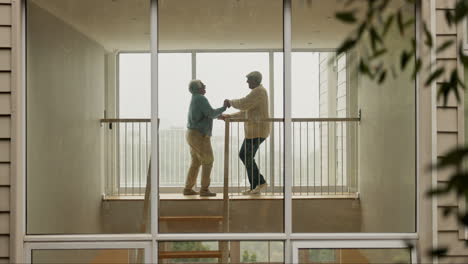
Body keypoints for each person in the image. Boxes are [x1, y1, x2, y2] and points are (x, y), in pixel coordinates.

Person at [219, 71, 270, 195]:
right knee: (246, 156)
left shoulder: (259, 92)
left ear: (255, 80)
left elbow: (244, 103)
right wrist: (229, 116)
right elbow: (246, 111)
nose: (247, 82)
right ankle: (255, 186)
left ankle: (260, 183)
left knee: (245, 155)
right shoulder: (257, 92)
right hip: (255, 131)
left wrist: (230, 102)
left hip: (257, 131)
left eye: (249, 80)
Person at [184, 80, 230, 197]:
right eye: (202, 85)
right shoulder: (200, 98)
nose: (205, 86)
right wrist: (224, 108)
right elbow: (210, 113)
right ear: (198, 88)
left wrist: (219, 116)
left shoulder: (195, 98)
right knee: (208, 160)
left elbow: (206, 114)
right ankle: (204, 190)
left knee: (196, 162)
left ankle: (188, 188)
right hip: (199, 135)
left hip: (191, 133)